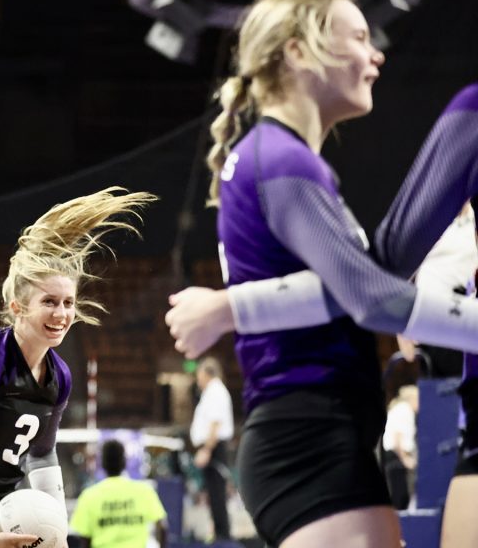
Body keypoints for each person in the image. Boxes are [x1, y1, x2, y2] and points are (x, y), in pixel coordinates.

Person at [166, 80, 478, 546]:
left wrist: (232, 307)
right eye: (356, 36)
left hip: (324, 431)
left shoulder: (286, 161)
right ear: (300, 49)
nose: (376, 56)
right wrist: (232, 307)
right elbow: (374, 286)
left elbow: (366, 282)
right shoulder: (280, 159)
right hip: (308, 433)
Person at [0, 187, 156, 548]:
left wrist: (60, 535)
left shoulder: (59, 377)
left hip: (2, 508)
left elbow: (41, 454)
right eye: (49, 302)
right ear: (18, 306)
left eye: (68, 302)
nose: (62, 314)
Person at [69, 439, 167, 548]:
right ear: (124, 462)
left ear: (103, 464)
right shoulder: (144, 491)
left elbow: (84, 538)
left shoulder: (89, 496)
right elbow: (162, 527)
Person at [189, 357, 233, 541]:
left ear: (207, 374)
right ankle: (218, 532)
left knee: (217, 493)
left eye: (199, 375)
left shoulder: (216, 391)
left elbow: (215, 424)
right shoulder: (211, 392)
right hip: (212, 447)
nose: (198, 380)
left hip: (214, 448)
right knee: (213, 493)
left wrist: (207, 450)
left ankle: (222, 536)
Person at [382, 385, 418, 510]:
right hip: (396, 456)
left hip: (393, 455)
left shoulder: (399, 409)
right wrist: (404, 458)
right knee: (400, 495)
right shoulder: (404, 409)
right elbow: (398, 436)